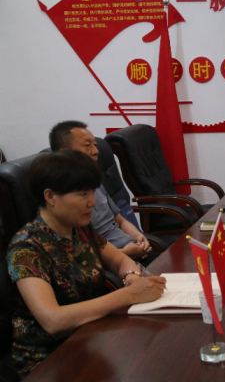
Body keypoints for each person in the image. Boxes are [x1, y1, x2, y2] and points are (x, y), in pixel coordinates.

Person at [7, 150, 166, 378]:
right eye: (83, 194)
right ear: (50, 196)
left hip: (92, 337)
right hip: (49, 361)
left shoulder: (80, 229)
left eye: (92, 191)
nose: (92, 202)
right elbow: (53, 320)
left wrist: (130, 276)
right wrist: (128, 295)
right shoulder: (26, 247)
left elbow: (119, 259)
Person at [49, 121, 155, 263]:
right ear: (65, 152)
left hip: (128, 250)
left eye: (95, 145)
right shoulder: (61, 196)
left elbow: (120, 220)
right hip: (108, 261)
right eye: (87, 145)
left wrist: (138, 237)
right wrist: (124, 254)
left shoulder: (93, 179)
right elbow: (78, 257)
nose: (96, 151)